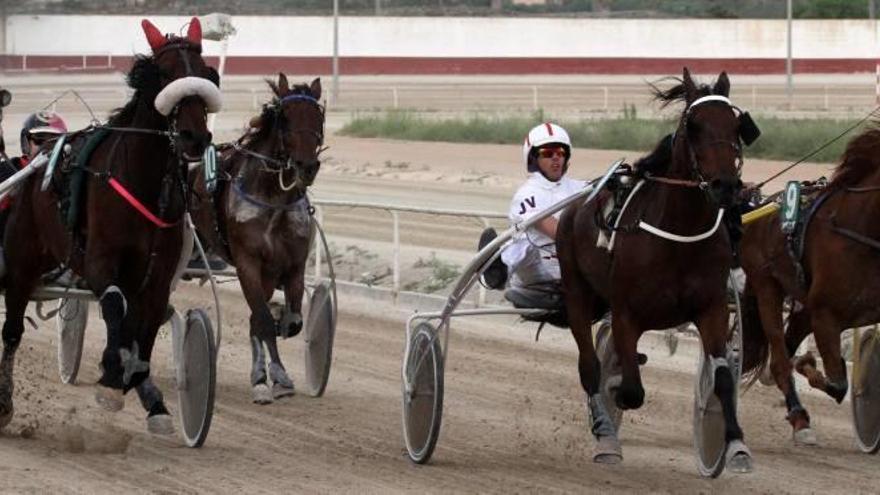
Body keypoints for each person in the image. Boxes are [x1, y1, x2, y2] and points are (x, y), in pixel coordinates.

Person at [480, 122, 587, 310]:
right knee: (525, 243)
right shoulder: (527, 194)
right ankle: (498, 268)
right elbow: (557, 232)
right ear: (534, 158)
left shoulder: (581, 187)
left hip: (576, 267)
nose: (556, 158)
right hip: (538, 275)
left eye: (560, 152)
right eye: (547, 153)